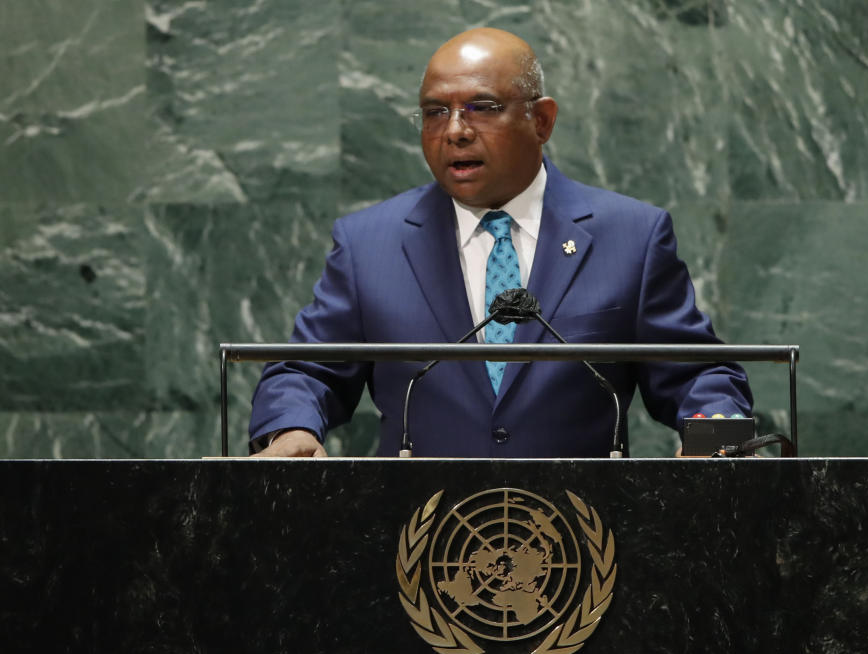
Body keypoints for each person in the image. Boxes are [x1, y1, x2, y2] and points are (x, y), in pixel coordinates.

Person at [249, 28, 751, 458]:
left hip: (582, 542)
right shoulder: (369, 245)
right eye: (434, 113)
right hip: (419, 541)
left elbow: (697, 374)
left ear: (542, 121)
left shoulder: (631, 237)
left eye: (481, 108)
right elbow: (305, 370)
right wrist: (291, 426)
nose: (455, 131)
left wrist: (716, 431)